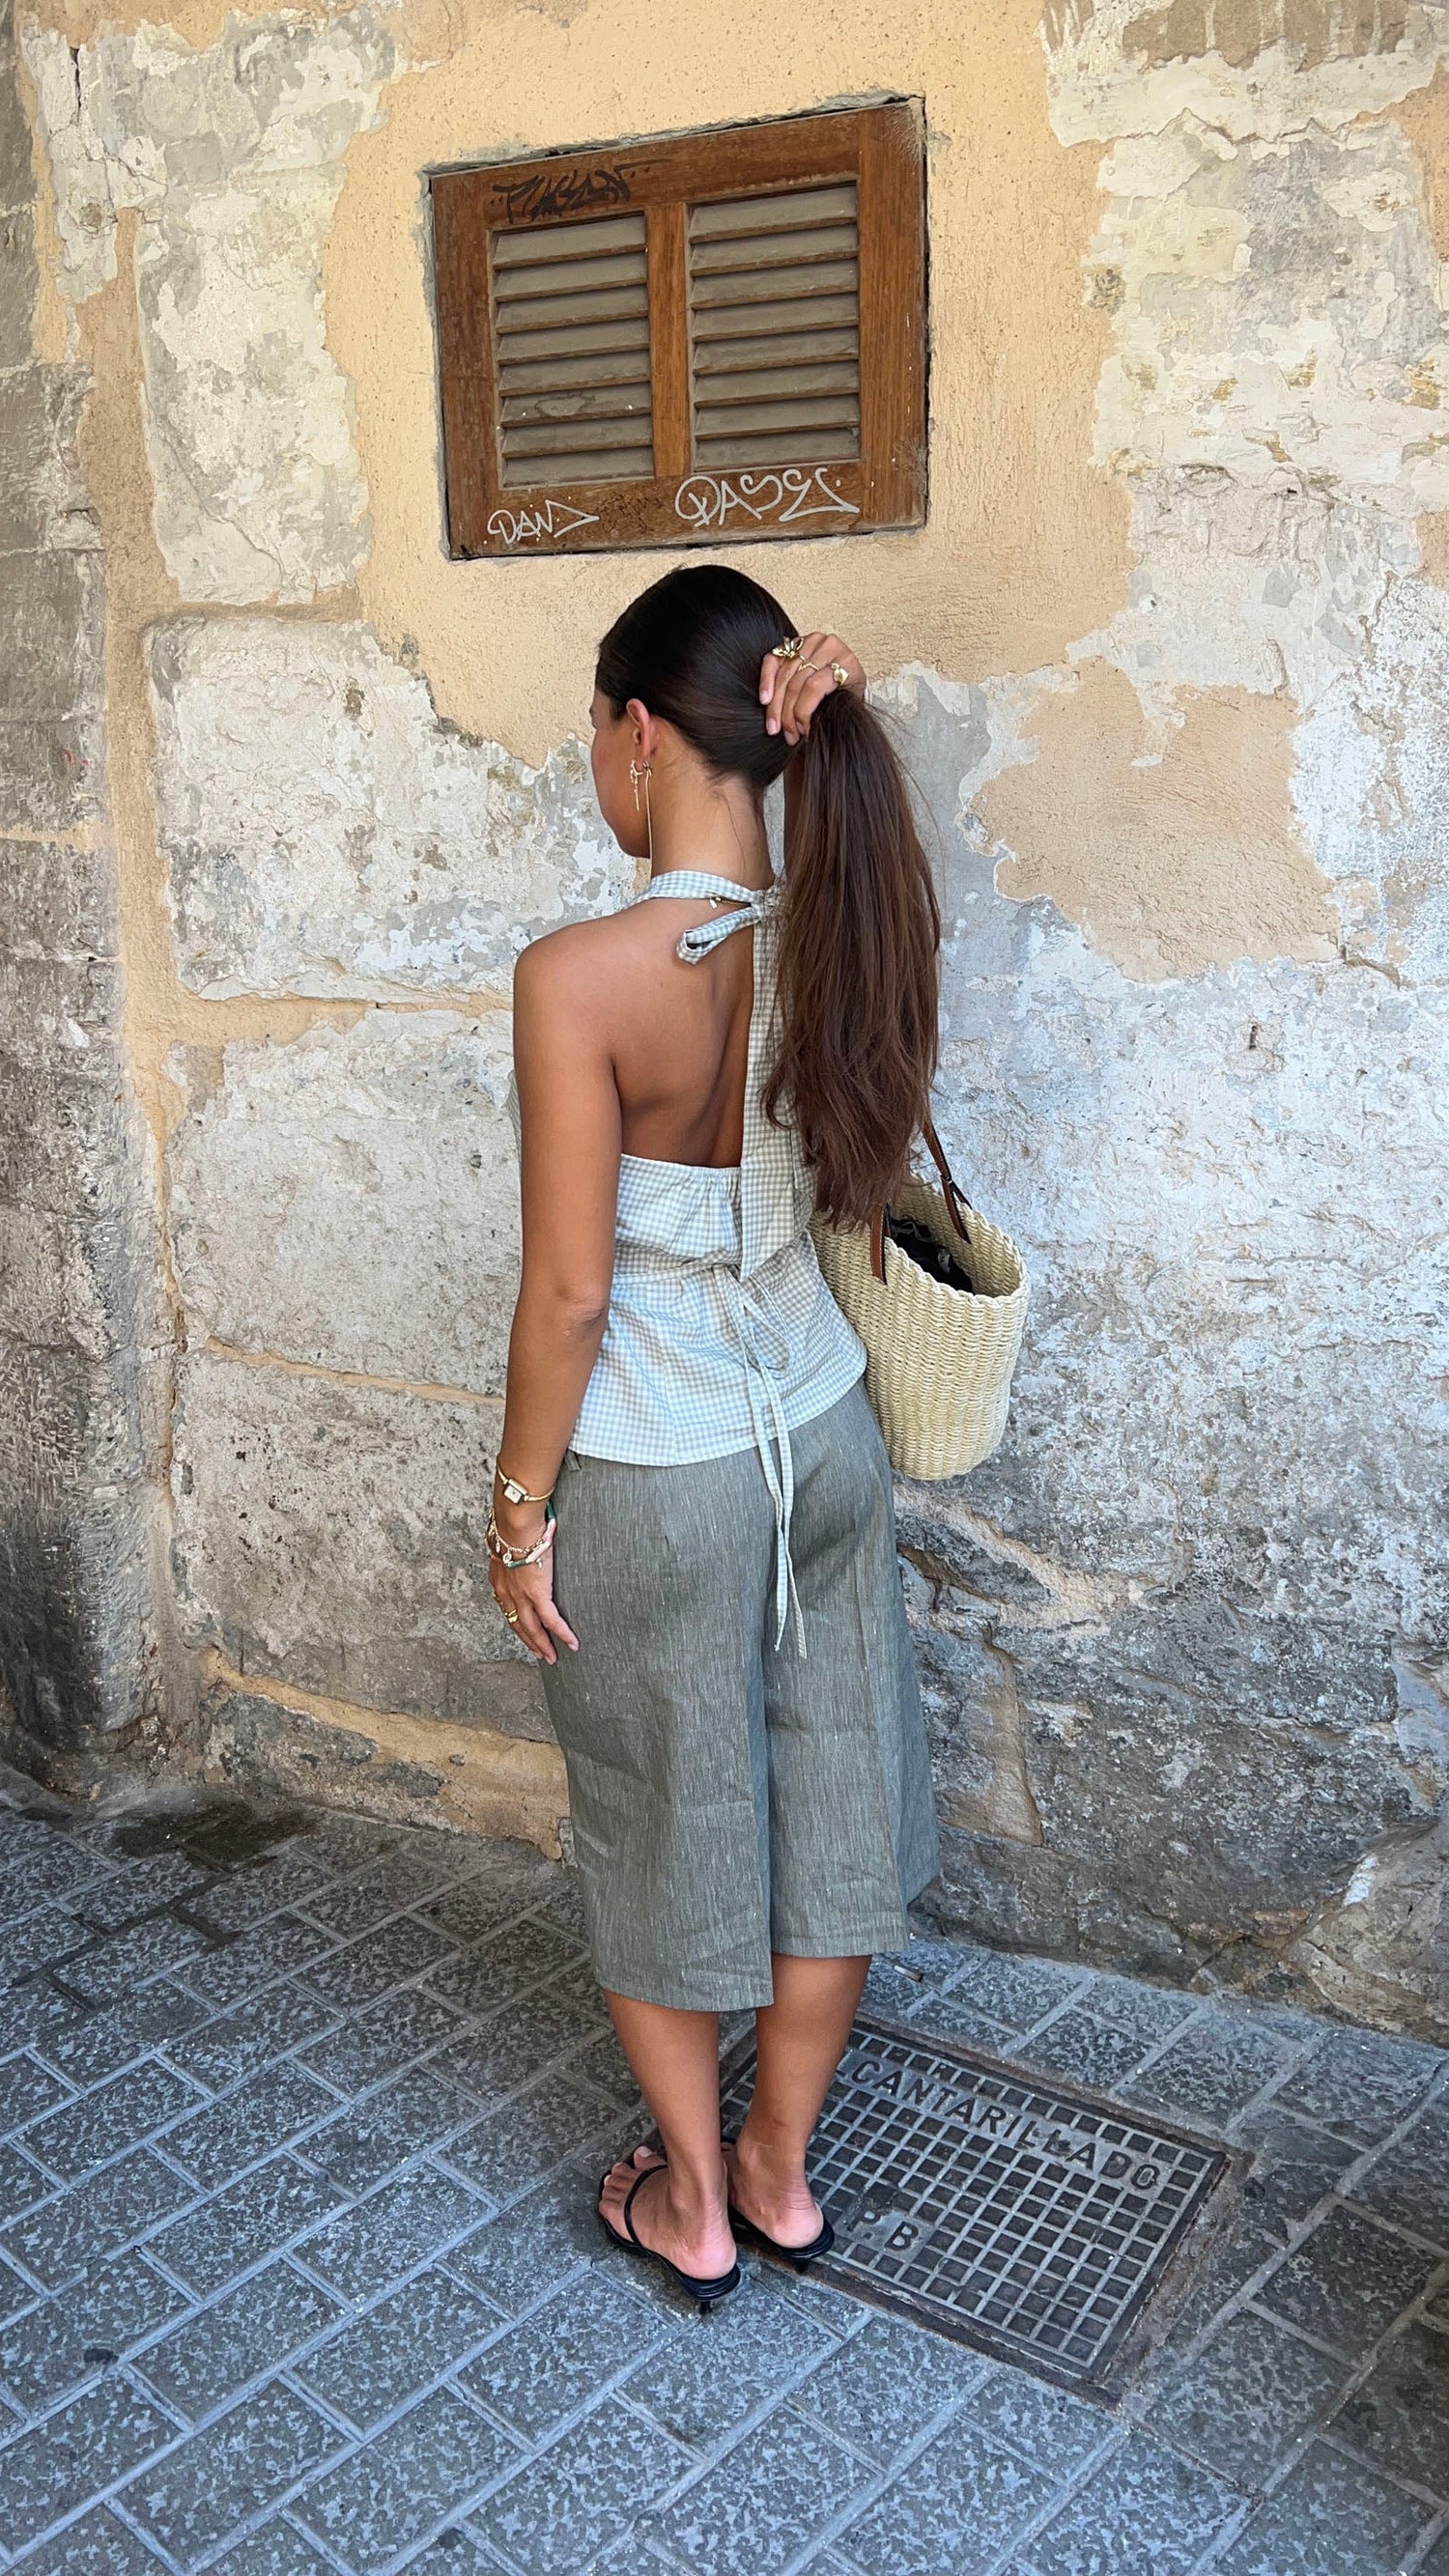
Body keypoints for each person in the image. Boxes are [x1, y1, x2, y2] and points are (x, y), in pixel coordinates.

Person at [485, 562, 942, 2309]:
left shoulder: (579, 977)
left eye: (592, 739)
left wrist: (518, 1510)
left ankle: (687, 2200)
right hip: (822, 1430)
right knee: (834, 1792)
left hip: (657, 1466)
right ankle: (778, 2168)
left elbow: (570, 1296)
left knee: (656, 1811)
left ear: (637, 733)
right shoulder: (843, 924)